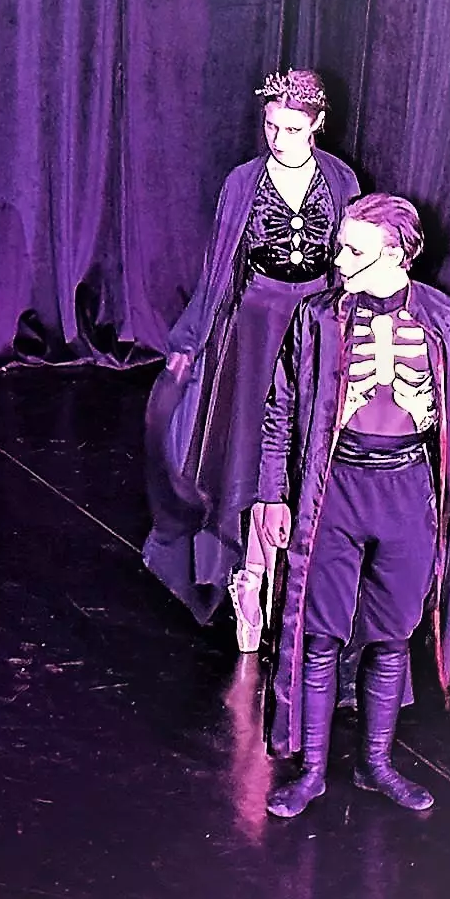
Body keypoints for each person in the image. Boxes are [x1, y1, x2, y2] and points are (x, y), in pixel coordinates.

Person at [252, 194, 450, 818]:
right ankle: (311, 770)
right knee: (320, 633)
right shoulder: (317, 317)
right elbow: (280, 410)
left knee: (392, 635)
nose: (338, 260)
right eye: (341, 246)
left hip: (408, 491)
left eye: (354, 250)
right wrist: (272, 493)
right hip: (334, 490)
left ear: (397, 254)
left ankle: (376, 763)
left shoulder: (447, 319)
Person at [144, 70, 361, 651]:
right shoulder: (243, 181)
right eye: (271, 126)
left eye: (292, 129)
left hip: (315, 325)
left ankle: (295, 577)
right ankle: (248, 577)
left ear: (317, 125)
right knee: (248, 448)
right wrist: (192, 339)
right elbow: (219, 266)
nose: (279, 139)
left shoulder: (341, 180)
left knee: (304, 445)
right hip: (254, 328)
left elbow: (351, 262)